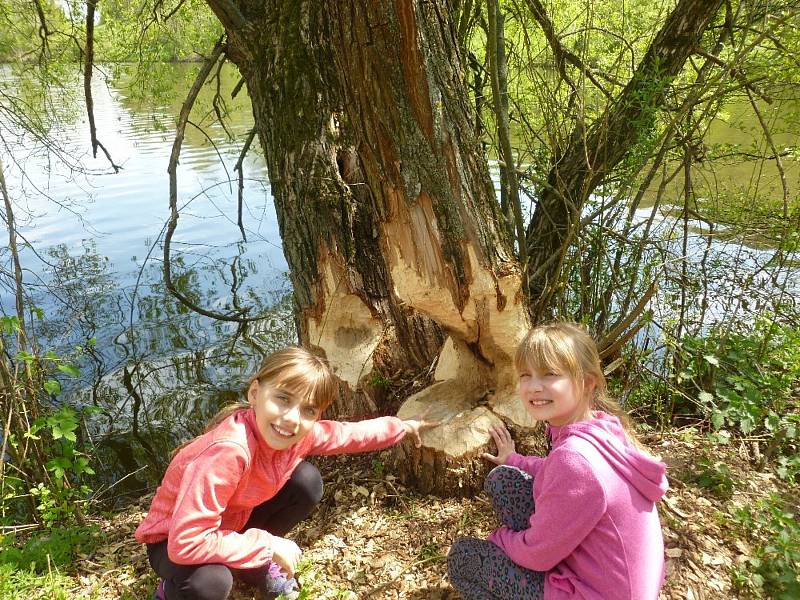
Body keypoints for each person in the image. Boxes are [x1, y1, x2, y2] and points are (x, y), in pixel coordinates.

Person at [135, 346, 436, 600]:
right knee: (211, 582)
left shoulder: (301, 435)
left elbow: (349, 434)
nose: (292, 418)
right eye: (283, 398)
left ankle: (251, 566)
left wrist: (403, 427)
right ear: (255, 393)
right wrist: (268, 543)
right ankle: (171, 590)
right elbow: (186, 542)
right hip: (174, 540)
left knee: (306, 482)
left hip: (231, 521)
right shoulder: (228, 452)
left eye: (309, 410)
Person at [447, 322, 668, 600]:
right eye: (526, 375)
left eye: (549, 374)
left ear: (587, 382)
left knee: (463, 558)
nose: (533, 387)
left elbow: (538, 554)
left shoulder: (576, 459)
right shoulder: (603, 427)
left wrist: (501, 540)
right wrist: (513, 459)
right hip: (612, 581)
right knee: (504, 480)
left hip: (595, 593)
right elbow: (560, 476)